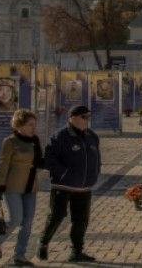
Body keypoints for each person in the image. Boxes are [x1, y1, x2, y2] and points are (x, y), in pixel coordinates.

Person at [38, 105, 101, 263]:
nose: (87, 120)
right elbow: (49, 160)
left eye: (88, 117)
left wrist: (95, 173)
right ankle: (43, 243)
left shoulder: (92, 136)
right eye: (84, 117)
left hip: (84, 187)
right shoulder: (60, 136)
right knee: (57, 216)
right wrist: (64, 173)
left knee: (81, 220)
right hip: (63, 186)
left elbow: (96, 157)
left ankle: (77, 251)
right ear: (73, 118)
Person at [0, 109, 44, 266]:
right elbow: (3, 165)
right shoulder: (10, 141)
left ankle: (20, 255)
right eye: (30, 125)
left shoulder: (35, 140)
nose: (33, 128)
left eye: (34, 125)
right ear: (19, 125)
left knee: (27, 223)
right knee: (16, 219)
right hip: (12, 186)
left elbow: (40, 161)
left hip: (30, 187)